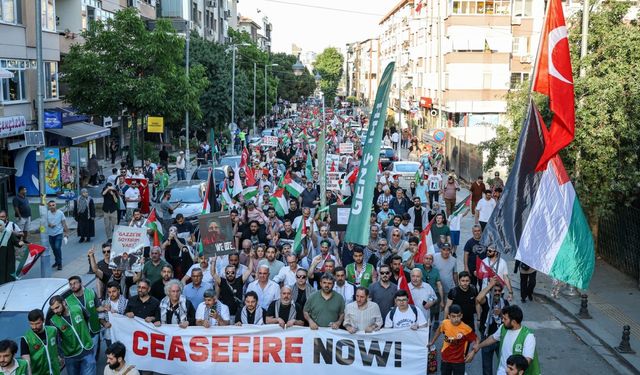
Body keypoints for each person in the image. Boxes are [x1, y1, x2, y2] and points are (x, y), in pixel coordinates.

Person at [466, 305, 539, 375]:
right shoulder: (503, 328)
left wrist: (512, 371)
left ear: (513, 322)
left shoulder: (528, 336)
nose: (502, 320)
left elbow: (527, 361)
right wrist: (479, 346)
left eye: (505, 319)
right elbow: (493, 338)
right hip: (502, 371)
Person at [47, 295, 96, 375]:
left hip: (87, 350)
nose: (55, 311)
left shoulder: (78, 308)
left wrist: (86, 335)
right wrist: (60, 355)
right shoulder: (53, 321)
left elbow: (87, 318)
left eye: (57, 307)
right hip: (71, 356)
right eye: (53, 309)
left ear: (64, 303)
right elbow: (57, 341)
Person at [429, 304, 479, 375]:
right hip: (445, 359)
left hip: (459, 362)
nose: (456, 319)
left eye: (458, 316)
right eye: (453, 316)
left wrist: (473, 352)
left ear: (461, 316)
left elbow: (477, 340)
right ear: (449, 316)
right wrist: (432, 342)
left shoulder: (466, 329)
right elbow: (439, 330)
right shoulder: (445, 323)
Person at [477, 277, 509, 375]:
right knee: (487, 367)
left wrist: (501, 314)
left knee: (505, 364)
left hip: (501, 339)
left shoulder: (505, 303)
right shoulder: (486, 301)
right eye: (494, 290)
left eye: (499, 291)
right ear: (491, 291)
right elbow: (478, 299)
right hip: (487, 338)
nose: (497, 293)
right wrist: (490, 285)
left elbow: (510, 321)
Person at [65, 276, 101, 357]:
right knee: (88, 357)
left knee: (94, 355)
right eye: (70, 284)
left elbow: (98, 307)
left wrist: (106, 308)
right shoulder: (67, 301)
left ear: (81, 283)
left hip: (94, 329)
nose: (73, 286)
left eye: (75, 283)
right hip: (81, 333)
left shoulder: (91, 292)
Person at [21, 309, 63, 375]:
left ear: (43, 320)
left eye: (37, 323)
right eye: (31, 324)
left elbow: (57, 346)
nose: (34, 327)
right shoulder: (25, 339)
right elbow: (26, 360)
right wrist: (29, 373)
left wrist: (59, 357)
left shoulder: (53, 330)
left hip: (55, 371)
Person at [99, 282, 128, 348]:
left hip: (123, 334)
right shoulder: (104, 303)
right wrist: (105, 323)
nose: (111, 294)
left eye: (114, 291)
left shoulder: (126, 302)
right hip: (109, 334)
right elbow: (100, 318)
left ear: (118, 290)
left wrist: (116, 314)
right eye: (109, 292)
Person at [46, 201, 69, 270]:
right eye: (50, 205)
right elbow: (44, 222)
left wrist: (66, 233)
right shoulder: (47, 214)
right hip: (50, 234)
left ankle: (59, 264)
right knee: (54, 249)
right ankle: (57, 261)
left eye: (53, 205)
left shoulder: (60, 213)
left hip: (58, 233)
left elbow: (64, 223)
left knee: (57, 248)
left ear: (56, 205)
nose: (52, 206)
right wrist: (49, 224)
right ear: (48, 207)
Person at [463, 225, 485, 290]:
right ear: (472, 232)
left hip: (483, 268)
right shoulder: (469, 242)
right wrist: (466, 267)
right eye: (475, 231)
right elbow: (465, 255)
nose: (477, 232)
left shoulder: (486, 241)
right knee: (472, 286)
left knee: (483, 285)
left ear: (481, 231)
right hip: (472, 267)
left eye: (478, 231)